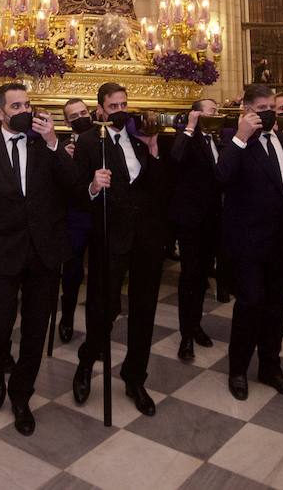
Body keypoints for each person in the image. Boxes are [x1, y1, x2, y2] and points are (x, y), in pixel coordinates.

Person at [0, 82, 73, 435]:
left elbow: (73, 185)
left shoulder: (46, 144)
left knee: (36, 329)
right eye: (16, 106)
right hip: (2, 250)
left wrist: (55, 143)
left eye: (27, 104)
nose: (24, 111)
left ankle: (21, 394)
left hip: (43, 252)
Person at [71, 82, 168, 416]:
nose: (121, 110)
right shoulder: (88, 142)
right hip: (110, 237)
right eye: (114, 106)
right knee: (104, 307)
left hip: (146, 239)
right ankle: (86, 365)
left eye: (124, 104)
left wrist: (153, 148)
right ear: (100, 110)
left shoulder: (140, 137)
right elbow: (76, 193)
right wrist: (93, 187)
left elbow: (158, 188)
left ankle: (135, 376)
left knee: (145, 308)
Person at [216, 84, 283, 401]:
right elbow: (221, 178)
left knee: (275, 306)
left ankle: (271, 368)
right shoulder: (236, 142)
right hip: (248, 241)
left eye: (272, 105)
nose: (269, 112)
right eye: (261, 108)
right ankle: (238, 369)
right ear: (247, 110)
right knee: (250, 303)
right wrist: (240, 138)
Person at [169, 97, 224, 361]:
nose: (217, 114)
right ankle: (186, 335)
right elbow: (176, 157)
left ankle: (197, 325)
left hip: (213, 219)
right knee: (190, 277)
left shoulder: (218, 140)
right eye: (212, 111)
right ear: (197, 115)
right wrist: (190, 127)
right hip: (191, 220)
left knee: (203, 276)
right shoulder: (187, 138)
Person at [58, 97, 94, 344]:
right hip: (76, 216)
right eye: (75, 116)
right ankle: (67, 316)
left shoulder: (104, 138)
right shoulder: (64, 147)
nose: (81, 118)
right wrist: (65, 160)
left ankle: (97, 331)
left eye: (83, 113)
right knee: (72, 272)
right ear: (68, 122)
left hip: (100, 213)